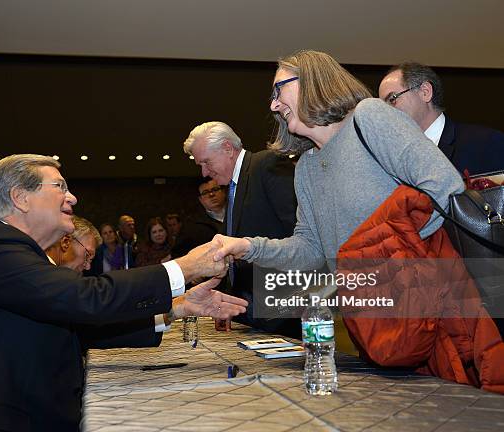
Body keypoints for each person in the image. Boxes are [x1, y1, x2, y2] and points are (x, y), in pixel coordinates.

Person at [213, 50, 504, 392]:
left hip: (430, 308)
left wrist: (393, 258)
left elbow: (444, 186)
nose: (274, 105)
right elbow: (310, 250)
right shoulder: (305, 169)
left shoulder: (370, 117)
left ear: (314, 81)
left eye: (279, 91)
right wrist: (246, 247)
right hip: (373, 325)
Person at [0, 154, 248, 432]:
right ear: (20, 197)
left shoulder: (15, 254)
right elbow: (86, 299)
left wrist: (179, 307)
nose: (73, 197)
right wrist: (185, 267)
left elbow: (74, 328)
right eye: (60, 186)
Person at [183, 121, 297, 337]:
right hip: (249, 311)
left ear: (227, 148)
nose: (204, 172)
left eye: (206, 162)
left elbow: (299, 233)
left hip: (279, 311)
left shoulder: (267, 164)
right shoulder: (233, 188)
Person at [379, 62, 504, 175]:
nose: (386, 112)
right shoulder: (390, 159)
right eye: (382, 106)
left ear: (425, 92)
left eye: (392, 99)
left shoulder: (485, 143)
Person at [171, 177, 226, 259]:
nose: (211, 194)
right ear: (201, 200)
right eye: (205, 192)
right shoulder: (192, 226)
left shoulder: (239, 215)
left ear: (223, 192)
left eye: (215, 189)